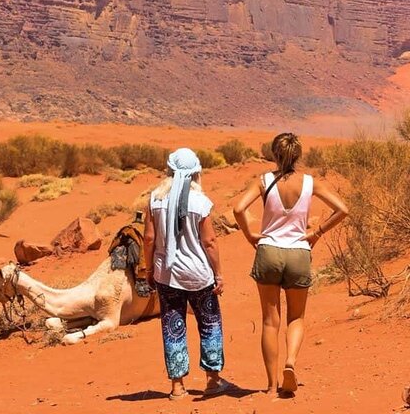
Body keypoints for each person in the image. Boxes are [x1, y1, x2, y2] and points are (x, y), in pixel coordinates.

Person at [233, 133, 348, 396]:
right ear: (298, 156)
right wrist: (317, 231)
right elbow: (342, 209)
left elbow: (239, 209)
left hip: (269, 251)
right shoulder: (310, 183)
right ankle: (291, 363)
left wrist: (250, 235)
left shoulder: (263, 181)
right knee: (296, 317)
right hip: (298, 252)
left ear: (274, 154)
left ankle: (272, 385)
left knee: (269, 321)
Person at [143, 148, 229, 400]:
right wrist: (219, 274)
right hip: (199, 276)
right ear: (195, 172)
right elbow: (210, 241)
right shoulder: (200, 201)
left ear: (169, 170)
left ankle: (177, 386)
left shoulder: (155, 199)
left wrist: (149, 269)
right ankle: (212, 381)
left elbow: (149, 238)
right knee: (209, 324)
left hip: (166, 275)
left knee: (173, 326)